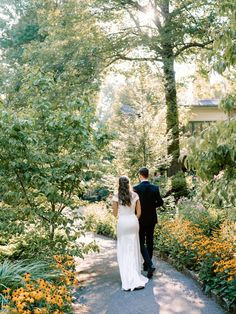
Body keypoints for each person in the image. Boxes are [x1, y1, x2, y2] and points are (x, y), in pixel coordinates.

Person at [112, 176, 148, 291]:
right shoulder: (135, 195)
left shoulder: (116, 196)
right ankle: (135, 274)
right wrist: (133, 219)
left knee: (124, 249)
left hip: (123, 222)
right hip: (133, 222)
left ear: (119, 184)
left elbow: (114, 213)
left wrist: (124, 217)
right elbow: (139, 213)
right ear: (128, 183)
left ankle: (128, 277)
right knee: (133, 248)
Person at [134, 167, 164, 278]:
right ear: (148, 175)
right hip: (151, 219)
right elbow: (160, 202)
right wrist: (152, 206)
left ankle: (148, 264)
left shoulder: (135, 188)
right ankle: (147, 264)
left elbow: (133, 206)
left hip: (140, 219)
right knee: (150, 241)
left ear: (140, 175)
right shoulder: (155, 188)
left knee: (141, 241)